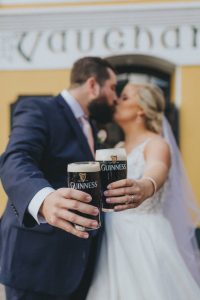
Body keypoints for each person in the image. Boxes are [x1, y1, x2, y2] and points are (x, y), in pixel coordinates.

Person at [0, 57, 117, 300]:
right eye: (113, 88)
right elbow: (15, 159)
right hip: (36, 262)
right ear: (93, 85)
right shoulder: (39, 109)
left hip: (80, 264)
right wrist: (44, 199)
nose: (115, 98)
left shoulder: (92, 125)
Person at [86, 83, 200, 300]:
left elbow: (158, 168)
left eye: (125, 97)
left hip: (143, 239)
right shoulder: (117, 147)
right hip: (111, 240)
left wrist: (145, 186)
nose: (117, 101)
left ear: (141, 109)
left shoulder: (157, 143)